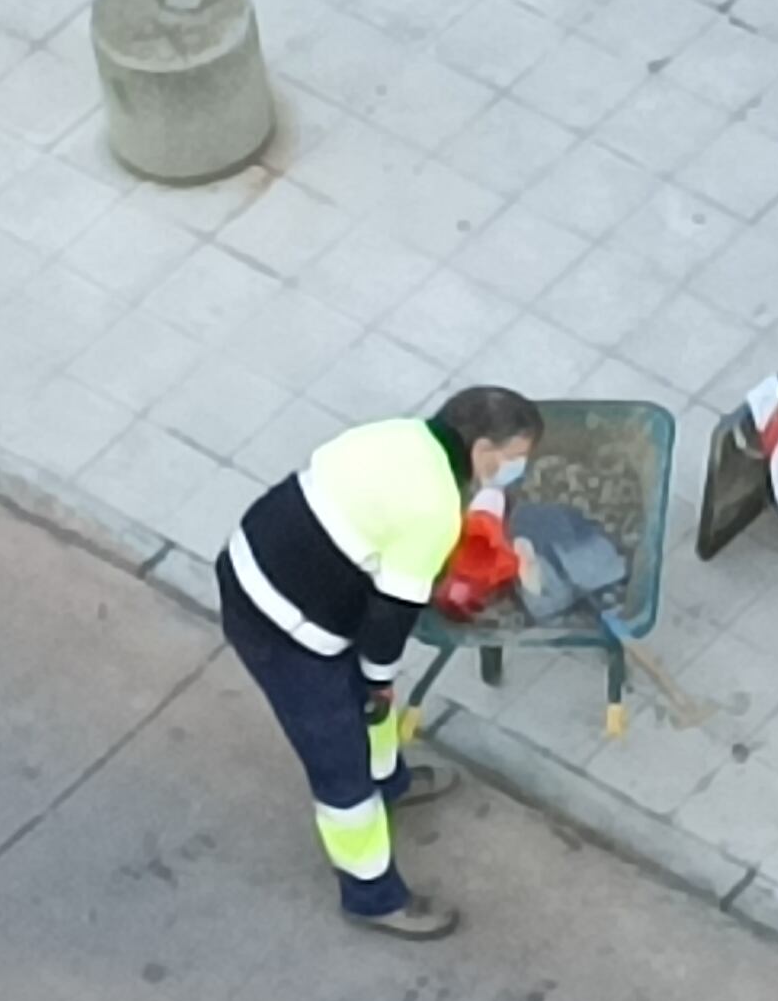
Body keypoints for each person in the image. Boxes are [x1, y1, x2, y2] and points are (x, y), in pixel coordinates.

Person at [218, 386, 541, 939]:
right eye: (516, 455)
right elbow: (393, 614)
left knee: (369, 708)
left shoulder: (401, 436)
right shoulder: (434, 508)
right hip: (282, 626)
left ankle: (390, 781)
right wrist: (378, 681)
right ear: (483, 448)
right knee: (341, 764)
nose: (520, 466)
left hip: (261, 558)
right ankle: (371, 896)